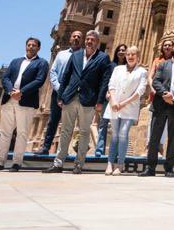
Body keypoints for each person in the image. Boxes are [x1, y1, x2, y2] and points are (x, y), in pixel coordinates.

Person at [43, 30, 113, 174]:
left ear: (97, 42)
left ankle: (79, 164)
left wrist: (100, 101)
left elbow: (104, 81)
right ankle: (58, 163)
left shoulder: (103, 58)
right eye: (87, 39)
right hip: (70, 97)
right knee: (65, 131)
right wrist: (60, 96)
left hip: (88, 100)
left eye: (92, 39)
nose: (89, 41)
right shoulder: (76, 55)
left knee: (84, 131)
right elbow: (67, 75)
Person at [0, 37, 49, 172]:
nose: (31, 47)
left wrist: (21, 92)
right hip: (9, 100)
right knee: (5, 132)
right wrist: (10, 91)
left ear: (38, 48)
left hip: (26, 102)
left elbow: (39, 80)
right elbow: (5, 77)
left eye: (34, 45)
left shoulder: (42, 63)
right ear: (26, 46)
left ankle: (16, 163)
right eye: (29, 45)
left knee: (22, 133)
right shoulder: (15, 61)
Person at [141, 39, 174, 177]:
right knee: (154, 137)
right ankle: (150, 168)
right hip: (160, 104)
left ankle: (169, 168)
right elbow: (156, 81)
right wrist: (165, 94)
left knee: (173, 138)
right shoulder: (163, 64)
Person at [103, 45, 147, 176]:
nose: (130, 56)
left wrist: (123, 103)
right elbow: (111, 85)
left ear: (138, 57)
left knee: (123, 134)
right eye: (128, 54)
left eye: (133, 54)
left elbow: (140, 90)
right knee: (114, 135)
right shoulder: (117, 69)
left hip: (129, 107)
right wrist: (114, 102)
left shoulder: (142, 71)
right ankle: (110, 163)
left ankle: (120, 164)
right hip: (115, 105)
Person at [39, 30, 82, 153]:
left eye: (79, 37)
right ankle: (46, 146)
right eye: (74, 36)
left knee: (68, 123)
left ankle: (63, 150)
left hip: (73, 94)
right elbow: (53, 72)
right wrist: (59, 89)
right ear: (70, 38)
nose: (76, 38)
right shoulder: (61, 54)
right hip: (58, 92)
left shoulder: (83, 56)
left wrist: (70, 91)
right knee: (53, 119)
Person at [142, 39, 173, 164]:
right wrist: (153, 88)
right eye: (165, 45)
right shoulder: (157, 60)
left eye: (169, 45)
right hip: (156, 94)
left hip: (168, 95)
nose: (167, 47)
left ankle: (160, 147)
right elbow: (151, 76)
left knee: (165, 123)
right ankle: (149, 146)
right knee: (152, 121)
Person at [95, 43, 126, 157]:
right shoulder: (111, 65)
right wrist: (104, 95)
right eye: (119, 50)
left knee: (117, 126)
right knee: (103, 124)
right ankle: (99, 149)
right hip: (108, 98)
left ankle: (116, 152)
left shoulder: (129, 68)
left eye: (124, 50)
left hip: (120, 100)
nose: (121, 52)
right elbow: (106, 80)